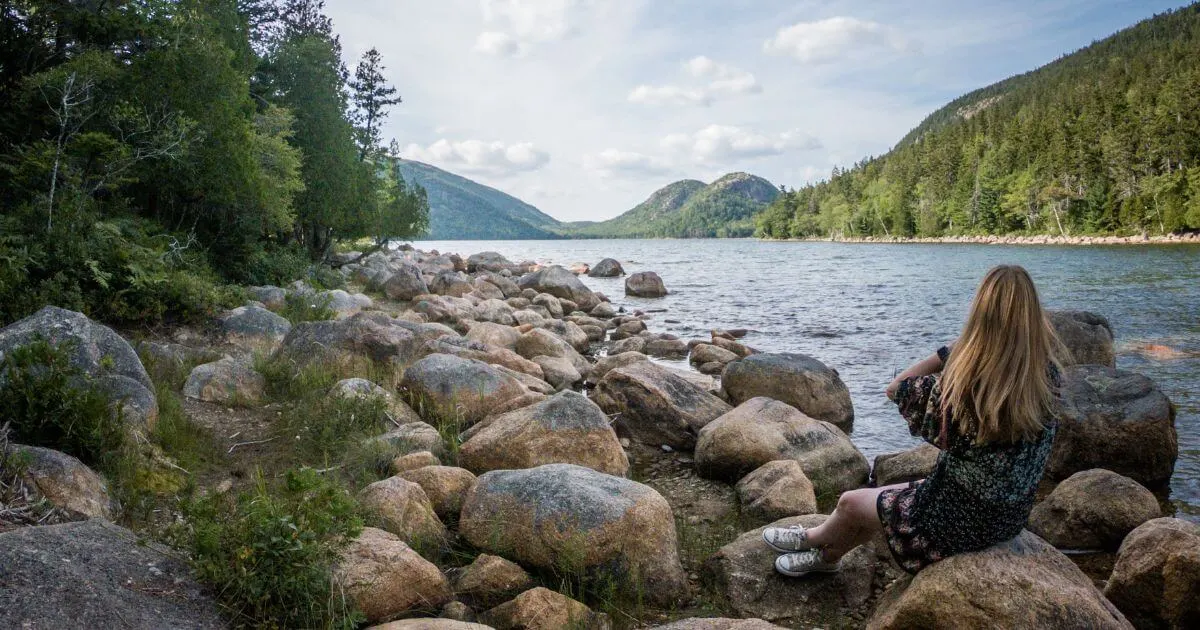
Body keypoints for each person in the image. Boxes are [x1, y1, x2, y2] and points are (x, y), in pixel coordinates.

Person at [762, 264, 1064, 576]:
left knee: (851, 503)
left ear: (981, 317)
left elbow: (895, 389)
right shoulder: (1047, 379)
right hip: (1006, 516)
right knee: (882, 502)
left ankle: (811, 538)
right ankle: (827, 558)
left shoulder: (968, 392)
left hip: (957, 521)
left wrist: (951, 352)